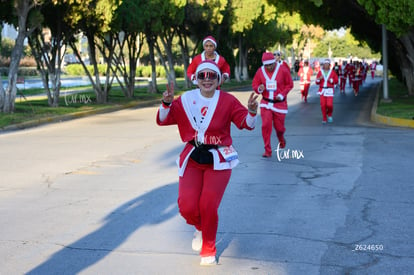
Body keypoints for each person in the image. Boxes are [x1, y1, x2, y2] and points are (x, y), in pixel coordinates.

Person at [157, 60, 258, 266]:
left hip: (219, 159)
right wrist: (166, 103)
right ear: (196, 79)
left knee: (208, 205)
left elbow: (245, 123)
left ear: (218, 79)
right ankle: (200, 228)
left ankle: (208, 249)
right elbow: (163, 119)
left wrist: (252, 113)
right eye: (202, 76)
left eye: (211, 76)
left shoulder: (228, 100)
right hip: (193, 157)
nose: (207, 80)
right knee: (187, 206)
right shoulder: (185, 99)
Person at [252, 52, 294, 157]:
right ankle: (267, 150)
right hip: (266, 103)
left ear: (274, 62)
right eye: (266, 65)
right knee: (265, 125)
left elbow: (290, 84)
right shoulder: (260, 71)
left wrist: (282, 94)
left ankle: (281, 138)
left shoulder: (283, 69)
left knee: (279, 128)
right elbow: (255, 84)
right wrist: (259, 89)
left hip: (280, 104)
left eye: (271, 64)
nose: (269, 67)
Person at [315, 59, 339, 124]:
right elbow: (316, 82)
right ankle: (324, 117)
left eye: (327, 64)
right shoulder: (320, 72)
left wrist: (332, 81)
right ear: (323, 65)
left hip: (329, 90)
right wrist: (319, 79)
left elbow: (336, 81)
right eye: (325, 64)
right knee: (323, 105)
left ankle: (330, 114)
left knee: (329, 105)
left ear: (329, 65)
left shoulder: (332, 72)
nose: (326, 65)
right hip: (322, 90)